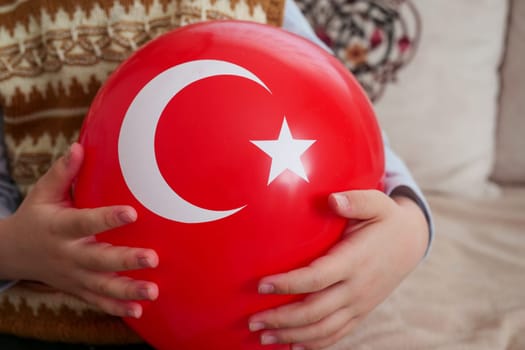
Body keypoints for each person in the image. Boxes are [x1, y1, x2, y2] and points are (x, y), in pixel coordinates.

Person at [0, 0, 433, 349]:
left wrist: (408, 232)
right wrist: (18, 249)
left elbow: (347, 130)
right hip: (51, 325)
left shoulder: (271, 11)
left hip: (261, 327)